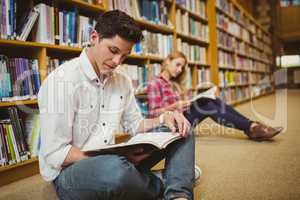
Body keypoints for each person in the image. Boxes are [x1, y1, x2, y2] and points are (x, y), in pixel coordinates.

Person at [38, 10, 194, 200]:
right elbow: (55, 154)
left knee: (181, 127)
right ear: (94, 38)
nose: (117, 62)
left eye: (124, 56)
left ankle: (178, 194)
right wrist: (118, 159)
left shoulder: (122, 81)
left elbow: (135, 125)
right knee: (116, 172)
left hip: (119, 160)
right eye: (113, 50)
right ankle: (169, 180)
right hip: (72, 173)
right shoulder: (61, 81)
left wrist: (164, 118)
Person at [146, 51, 283, 141]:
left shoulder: (174, 83)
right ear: (168, 61)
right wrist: (174, 106)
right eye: (178, 65)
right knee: (209, 105)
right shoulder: (155, 83)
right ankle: (252, 127)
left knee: (211, 99)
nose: (180, 69)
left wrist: (188, 101)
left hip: (183, 116)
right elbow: (152, 113)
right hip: (173, 124)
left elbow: (183, 104)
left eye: (182, 67)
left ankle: (252, 126)